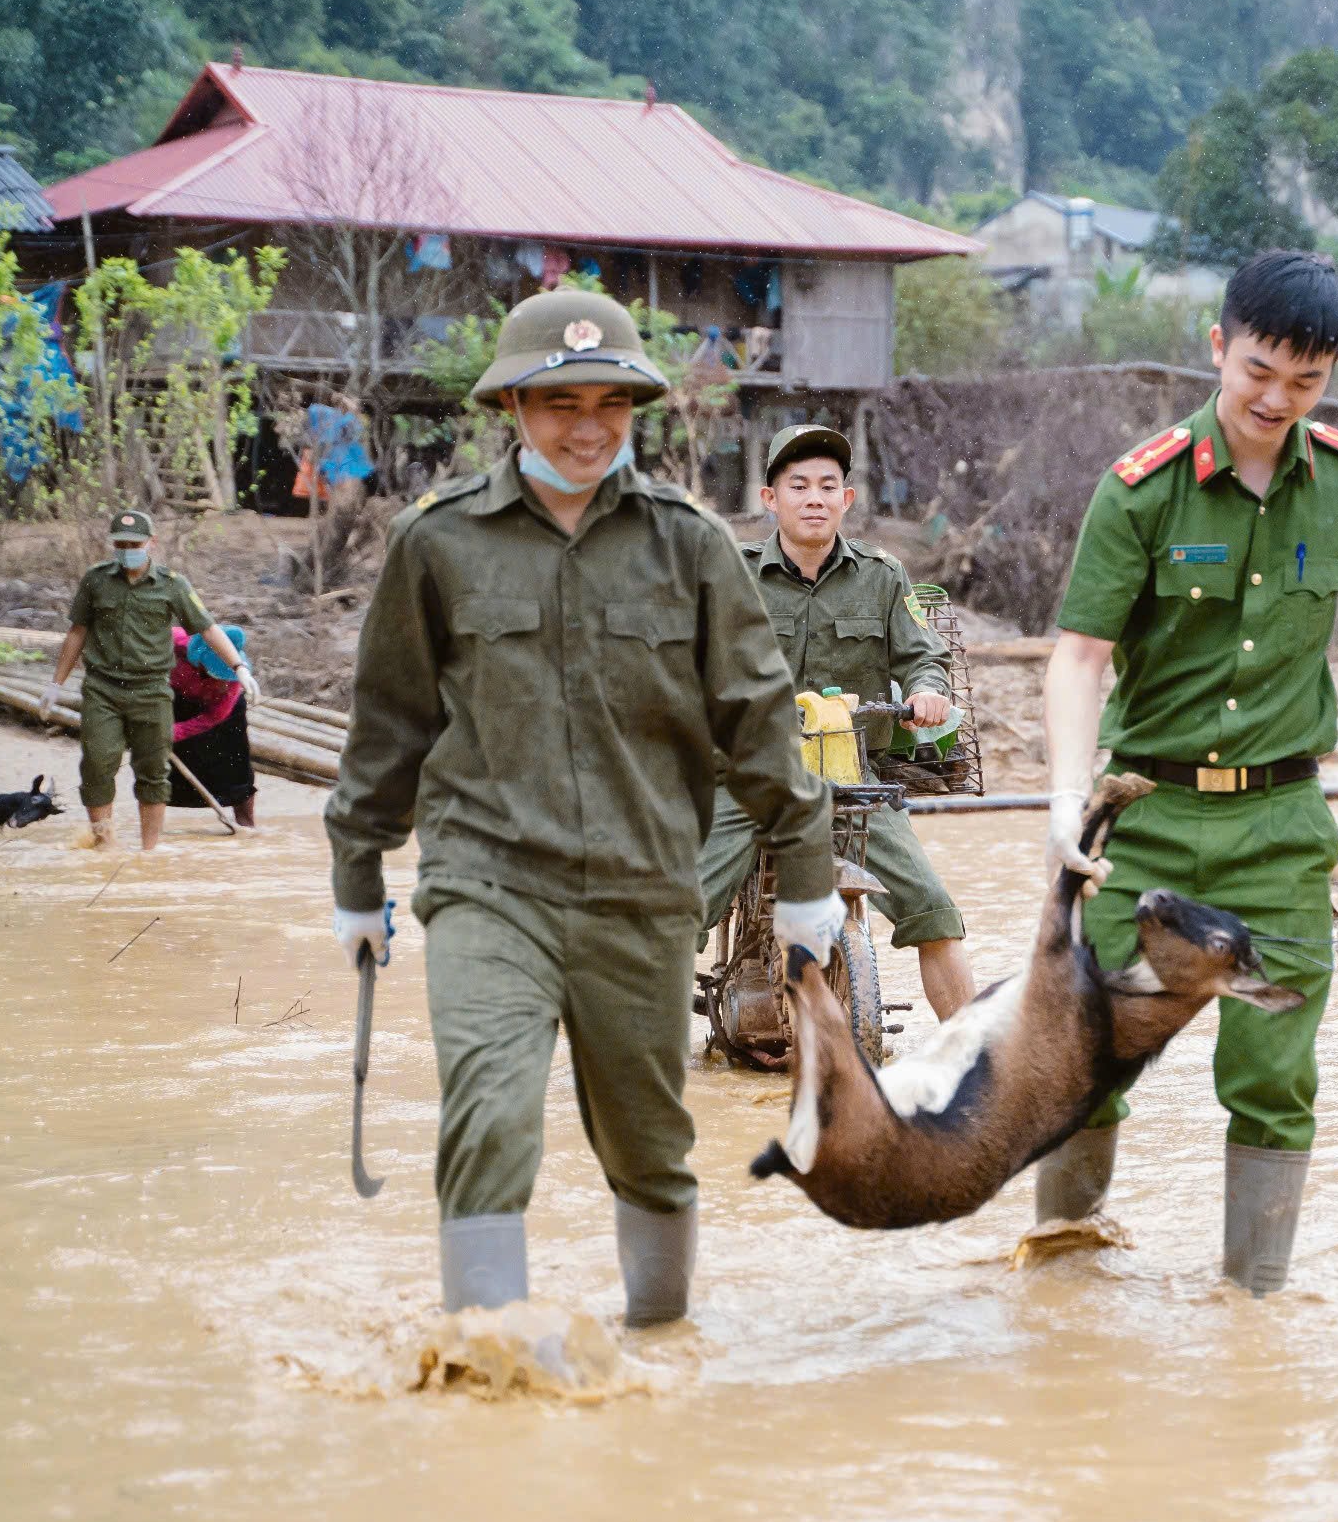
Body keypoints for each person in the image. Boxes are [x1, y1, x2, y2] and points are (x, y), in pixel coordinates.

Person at [326, 290, 839, 1326]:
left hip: (642, 893)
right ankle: (486, 1367)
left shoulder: (690, 545)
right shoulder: (438, 544)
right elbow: (390, 724)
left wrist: (808, 879)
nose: (588, 424)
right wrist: (357, 880)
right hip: (486, 886)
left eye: (612, 400)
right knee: (489, 1112)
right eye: (560, 400)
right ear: (513, 404)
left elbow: (758, 720)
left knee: (650, 1144)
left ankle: (660, 1351)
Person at [1039, 251, 1338, 1296]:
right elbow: (1078, 656)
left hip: (1282, 834)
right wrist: (1068, 800)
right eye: (1257, 372)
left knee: (1274, 1076)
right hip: (1143, 823)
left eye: (1305, 382)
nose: (1275, 400)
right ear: (1218, 346)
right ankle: (1060, 1292)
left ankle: (1255, 1310)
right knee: (1084, 1058)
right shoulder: (1142, 490)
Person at [696, 423, 975, 1019]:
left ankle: (978, 1065)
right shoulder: (732, 573)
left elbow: (923, 655)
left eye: (828, 485)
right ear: (770, 498)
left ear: (847, 500)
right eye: (798, 486)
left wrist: (929, 691)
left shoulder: (882, 575)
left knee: (934, 910)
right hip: (752, 774)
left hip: (853, 779)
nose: (814, 498)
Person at [42, 510, 261, 853]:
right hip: (103, 688)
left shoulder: (172, 584)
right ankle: (104, 843)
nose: (128, 549)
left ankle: (149, 852)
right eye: (121, 544)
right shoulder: (96, 580)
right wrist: (55, 684)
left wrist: (238, 666)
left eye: (135, 543)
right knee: (98, 763)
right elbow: (77, 632)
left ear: (151, 543)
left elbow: (206, 627)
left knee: (153, 772)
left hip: (153, 691)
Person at [169, 624, 259, 828]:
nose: (223, 685)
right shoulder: (177, 643)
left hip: (221, 715)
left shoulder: (234, 682)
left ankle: (246, 825)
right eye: (218, 678)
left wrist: (173, 733)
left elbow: (213, 717)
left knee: (237, 769)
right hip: (176, 701)